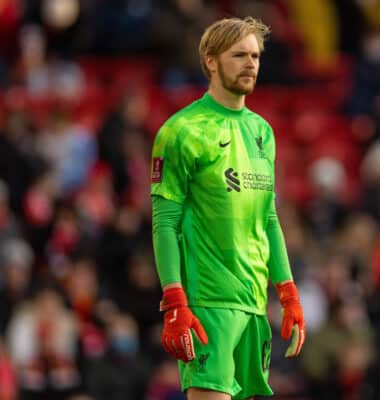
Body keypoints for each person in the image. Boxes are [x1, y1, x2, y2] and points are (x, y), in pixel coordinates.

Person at [150, 16, 306, 400]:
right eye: (239, 55)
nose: (251, 63)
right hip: (207, 305)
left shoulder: (262, 132)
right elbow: (165, 222)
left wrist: (287, 292)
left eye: (255, 55)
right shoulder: (182, 130)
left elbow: (268, 218)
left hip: (254, 304)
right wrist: (174, 299)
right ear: (211, 61)